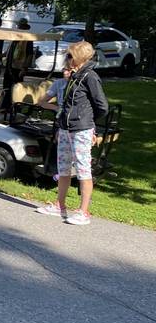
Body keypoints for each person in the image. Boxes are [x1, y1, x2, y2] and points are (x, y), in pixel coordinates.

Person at [36, 41, 108, 225]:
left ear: (80, 57)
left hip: (81, 129)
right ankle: (60, 205)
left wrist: (88, 122)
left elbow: (102, 106)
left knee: (83, 169)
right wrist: (62, 125)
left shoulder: (90, 77)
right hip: (65, 128)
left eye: (70, 56)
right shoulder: (74, 76)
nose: (68, 59)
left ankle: (83, 212)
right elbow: (65, 105)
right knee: (63, 168)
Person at [3, 16, 33, 97]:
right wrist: (1, 55)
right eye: (18, 26)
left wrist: (24, 68)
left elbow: (30, 54)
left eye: (19, 26)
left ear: (24, 27)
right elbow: (9, 51)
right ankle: (5, 106)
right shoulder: (15, 37)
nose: (18, 27)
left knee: (16, 90)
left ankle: (15, 107)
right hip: (9, 67)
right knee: (6, 88)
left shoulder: (28, 39)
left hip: (18, 69)